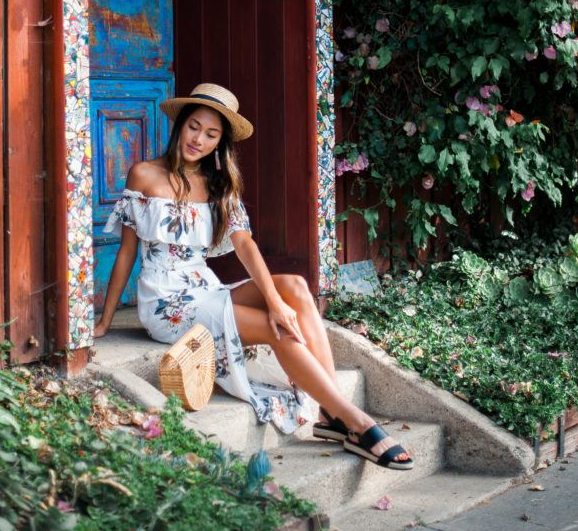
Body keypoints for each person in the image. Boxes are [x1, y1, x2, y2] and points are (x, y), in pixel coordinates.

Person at [94, 83, 412, 470]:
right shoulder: (143, 175)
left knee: (294, 287)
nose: (199, 139)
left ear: (220, 143)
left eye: (211, 134)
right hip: (166, 302)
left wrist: (276, 301)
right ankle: (357, 421)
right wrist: (106, 319)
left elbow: (245, 247)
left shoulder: (218, 185)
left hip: (204, 287)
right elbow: (128, 251)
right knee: (273, 327)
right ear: (180, 125)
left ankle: (331, 417)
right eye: (195, 127)